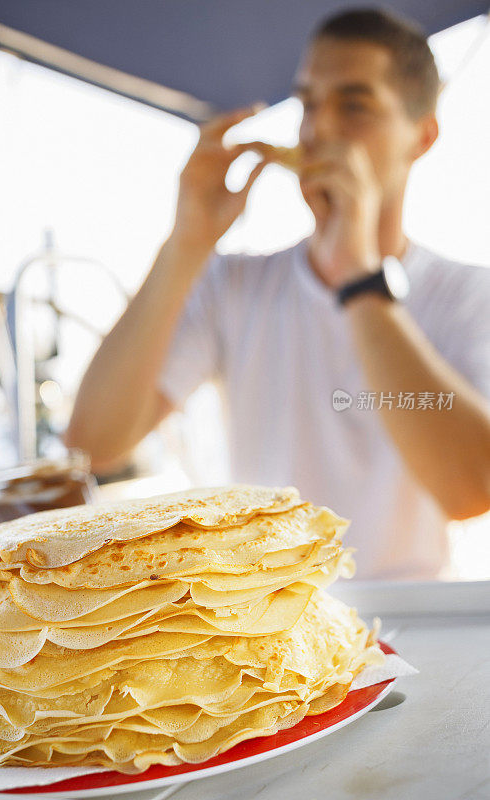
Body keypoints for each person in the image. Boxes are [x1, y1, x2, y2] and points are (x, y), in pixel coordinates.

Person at [66, 9, 490, 580]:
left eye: (355, 105)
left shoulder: (467, 294)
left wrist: (359, 277)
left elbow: (472, 491)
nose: (320, 129)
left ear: (423, 135)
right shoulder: (231, 285)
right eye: (310, 103)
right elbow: (94, 445)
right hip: (265, 618)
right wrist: (186, 243)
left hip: (413, 624)